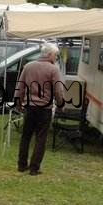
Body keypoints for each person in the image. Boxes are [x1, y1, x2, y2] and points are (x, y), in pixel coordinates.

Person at [15, 43, 65, 175]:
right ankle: (34, 168)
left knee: (26, 136)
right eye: (55, 55)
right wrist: (60, 104)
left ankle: (21, 165)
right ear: (49, 54)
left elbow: (20, 87)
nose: (56, 57)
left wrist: (18, 104)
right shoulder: (53, 70)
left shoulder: (28, 66)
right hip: (44, 108)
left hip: (29, 106)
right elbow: (58, 90)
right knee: (40, 138)